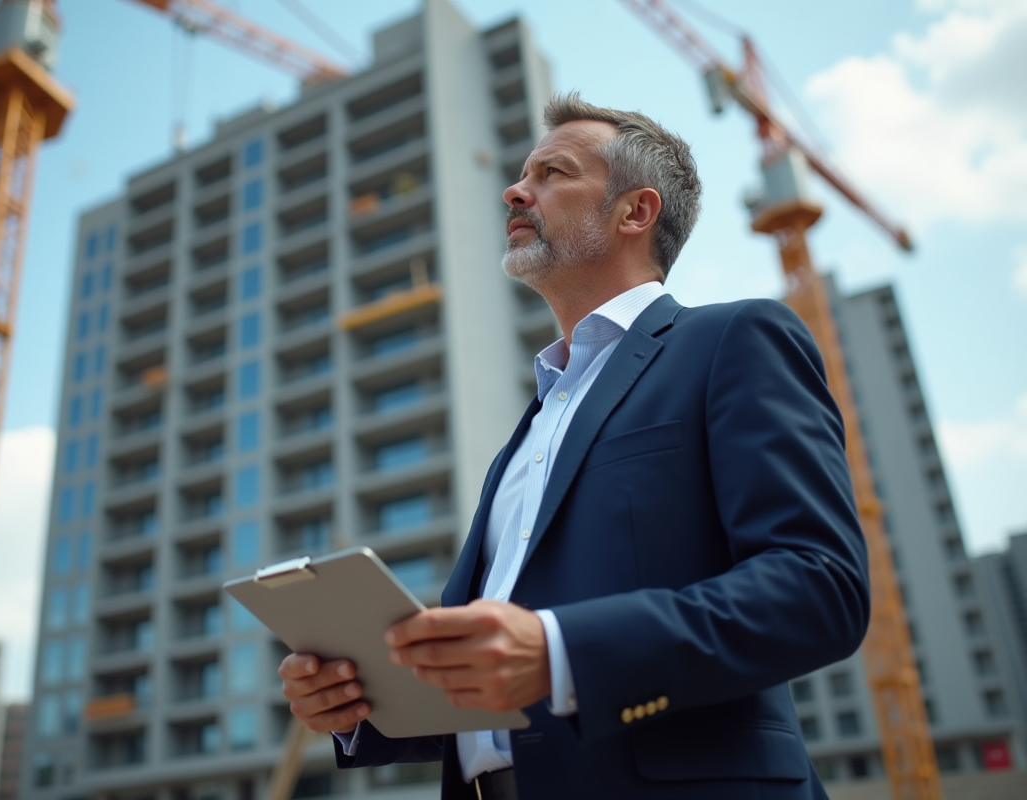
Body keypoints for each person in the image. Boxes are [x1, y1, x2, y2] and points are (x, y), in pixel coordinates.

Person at [278, 92, 870, 800]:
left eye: (552, 172)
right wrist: (359, 707)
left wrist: (562, 653)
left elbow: (819, 586)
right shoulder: (531, 423)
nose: (516, 190)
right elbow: (501, 685)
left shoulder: (734, 341)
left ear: (635, 212)